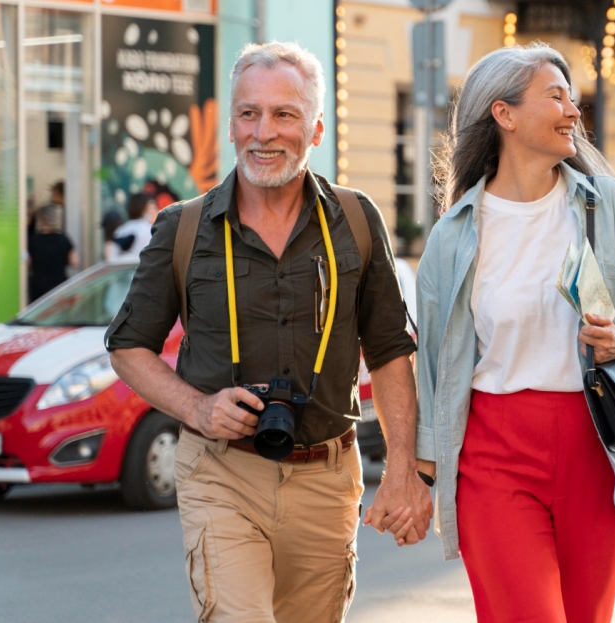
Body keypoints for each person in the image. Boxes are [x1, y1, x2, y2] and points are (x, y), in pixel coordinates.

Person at [105, 41, 432, 623]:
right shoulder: (182, 228)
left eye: (285, 114)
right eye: (249, 113)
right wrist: (198, 409)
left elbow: (389, 352)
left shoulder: (357, 220)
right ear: (230, 124)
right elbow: (129, 347)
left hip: (329, 478)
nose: (264, 132)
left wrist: (405, 470)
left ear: (316, 129)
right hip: (220, 471)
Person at [412, 43, 615, 622]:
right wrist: (421, 474)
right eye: (555, 96)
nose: (573, 112)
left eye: (573, 98)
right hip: (494, 454)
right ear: (503, 114)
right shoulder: (454, 235)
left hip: (595, 444)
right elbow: (432, 365)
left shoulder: (604, 204)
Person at [27, 204, 78, 301]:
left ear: (41, 221)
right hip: (60, 284)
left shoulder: (34, 240)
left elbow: (28, 262)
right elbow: (75, 262)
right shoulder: (63, 238)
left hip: (39, 285)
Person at [112, 192, 158, 259]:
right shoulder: (149, 230)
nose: (156, 211)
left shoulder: (120, 230)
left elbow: (112, 257)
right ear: (144, 209)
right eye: (152, 208)